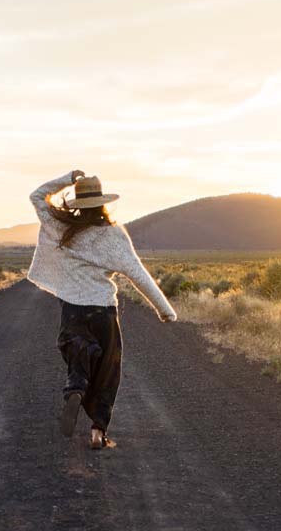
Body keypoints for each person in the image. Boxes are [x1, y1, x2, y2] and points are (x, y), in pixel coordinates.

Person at [27, 169, 177, 450]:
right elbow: (138, 274)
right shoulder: (114, 236)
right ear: (102, 203)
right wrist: (164, 310)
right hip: (104, 311)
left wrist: (68, 178)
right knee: (109, 370)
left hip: (73, 309)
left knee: (77, 352)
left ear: (77, 203)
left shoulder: (60, 228)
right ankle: (98, 431)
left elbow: (37, 196)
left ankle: (75, 387)